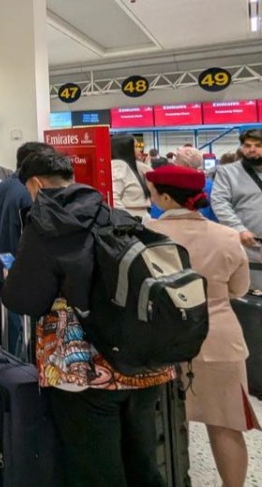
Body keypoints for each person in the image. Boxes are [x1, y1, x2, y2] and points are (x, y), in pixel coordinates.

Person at [1, 152, 176, 487]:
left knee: (94, 469)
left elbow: (24, 298)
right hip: (141, 360)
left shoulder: (47, 225)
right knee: (142, 462)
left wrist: (9, 279)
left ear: (35, 183)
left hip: (84, 369)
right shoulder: (113, 211)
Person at [144, 165, 260, 487]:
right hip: (218, 336)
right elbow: (239, 289)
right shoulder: (227, 237)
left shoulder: (148, 235)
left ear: (165, 197)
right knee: (225, 425)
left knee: (159, 422)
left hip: (161, 337)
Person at [0, 142, 55, 355]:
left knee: (10, 335)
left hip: (3, 267)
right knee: (26, 337)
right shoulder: (33, 193)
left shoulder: (1, 187)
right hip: (26, 275)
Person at [212, 129, 262, 291]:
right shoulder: (227, 172)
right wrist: (238, 229)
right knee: (251, 296)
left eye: (258, 145)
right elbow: (220, 202)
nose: (252, 149)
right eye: (247, 145)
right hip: (248, 244)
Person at [150, 147, 217, 222]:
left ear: (185, 165)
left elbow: (157, 214)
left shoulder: (172, 185)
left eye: (177, 160)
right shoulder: (212, 185)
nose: (174, 163)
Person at [110, 134, 152, 220]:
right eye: (135, 146)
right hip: (133, 221)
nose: (139, 149)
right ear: (125, 148)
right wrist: (126, 220)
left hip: (140, 219)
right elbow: (114, 197)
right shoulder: (119, 165)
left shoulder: (133, 166)